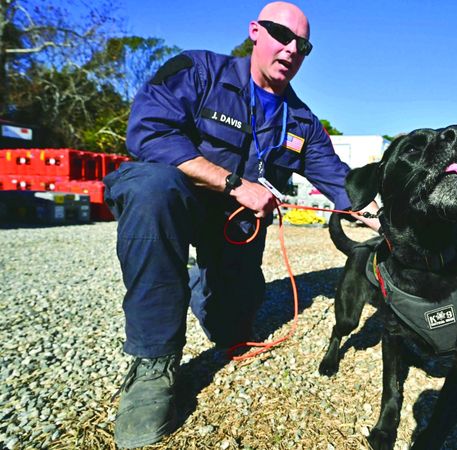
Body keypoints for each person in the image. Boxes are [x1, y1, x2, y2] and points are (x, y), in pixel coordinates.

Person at [104, 2, 380, 447]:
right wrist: (233, 183)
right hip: (175, 205)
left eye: (303, 45)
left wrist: (374, 210)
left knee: (233, 329)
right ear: (255, 31)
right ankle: (152, 369)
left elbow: (337, 180)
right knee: (150, 187)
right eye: (280, 34)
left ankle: (201, 285)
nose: (291, 49)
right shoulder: (198, 71)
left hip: (235, 228)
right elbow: (148, 133)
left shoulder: (302, 122)